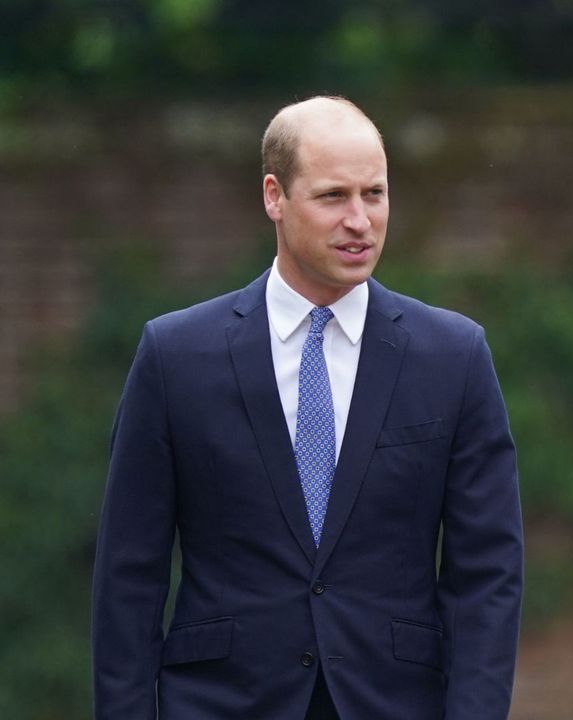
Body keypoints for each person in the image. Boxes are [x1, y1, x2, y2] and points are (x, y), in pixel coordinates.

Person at [92, 96, 523, 719]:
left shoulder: (454, 356)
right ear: (275, 196)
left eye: (374, 194)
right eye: (332, 197)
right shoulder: (175, 355)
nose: (360, 220)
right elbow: (127, 577)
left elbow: (487, 576)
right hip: (220, 704)